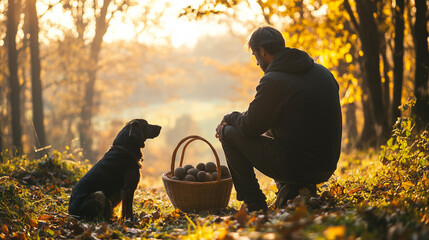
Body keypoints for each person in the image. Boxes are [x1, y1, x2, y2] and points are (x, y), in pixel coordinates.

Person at [215, 26, 342, 212]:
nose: (257, 63)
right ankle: (293, 190)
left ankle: (254, 203)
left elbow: (250, 126)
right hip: (326, 165)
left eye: (255, 55)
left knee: (227, 132)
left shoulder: (274, 80)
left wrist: (229, 117)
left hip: (300, 165)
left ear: (263, 52)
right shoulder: (322, 72)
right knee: (271, 126)